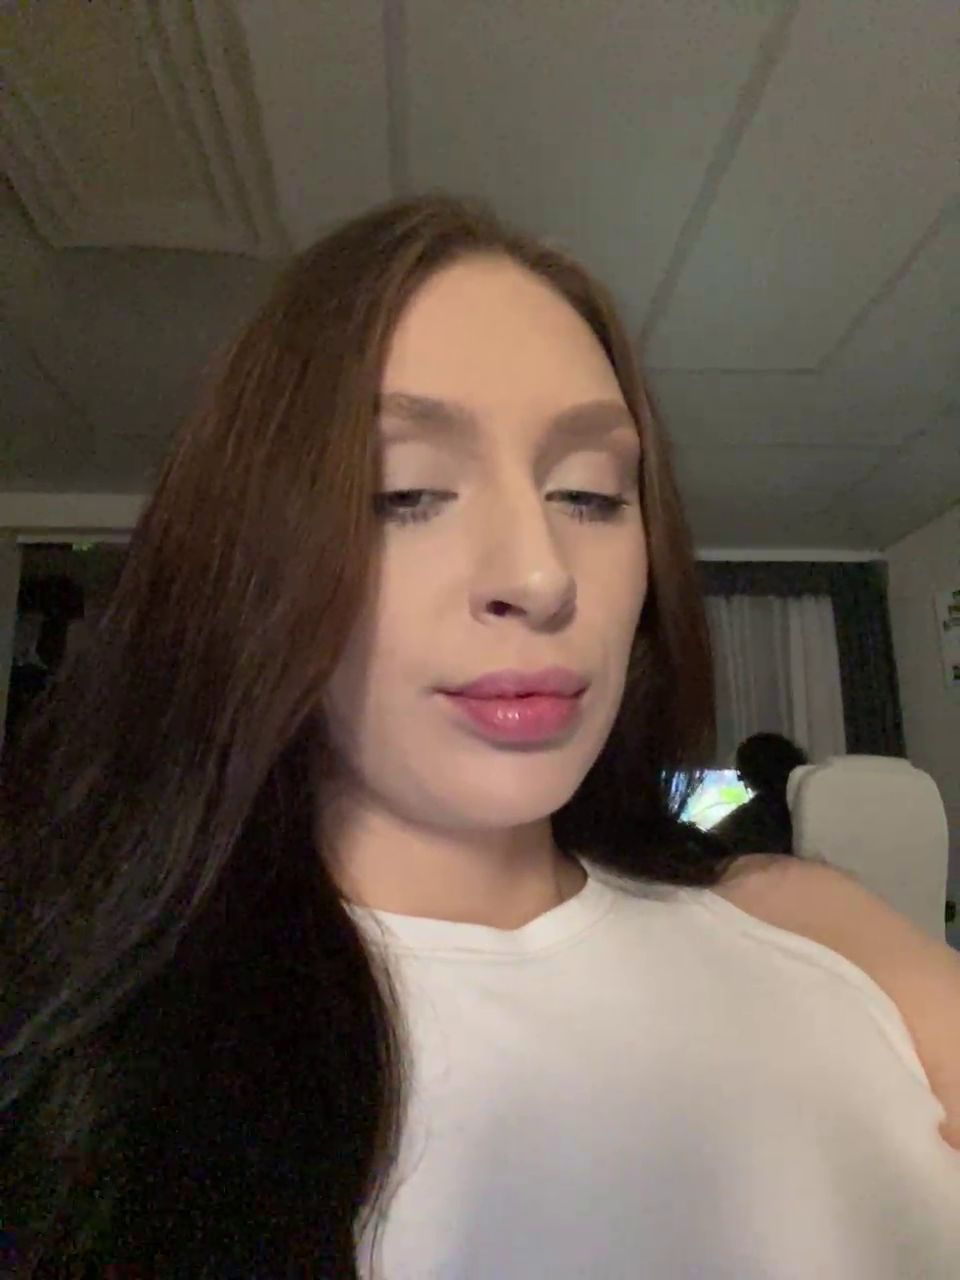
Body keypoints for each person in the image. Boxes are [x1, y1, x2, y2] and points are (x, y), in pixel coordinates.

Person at [1, 196, 958, 1278]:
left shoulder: (814, 941)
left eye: (589, 495)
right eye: (407, 492)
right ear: (252, 554)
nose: (541, 576)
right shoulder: (102, 1056)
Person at [710, 731, 809, 855]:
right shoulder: (811, 800)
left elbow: (715, 845)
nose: (740, 779)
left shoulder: (756, 816)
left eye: (741, 772)